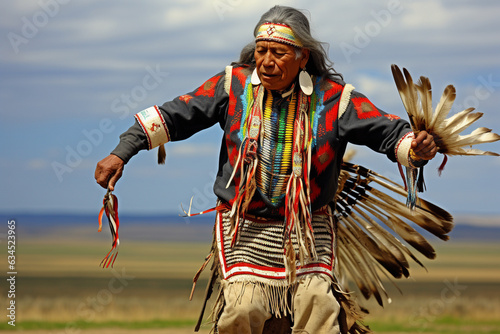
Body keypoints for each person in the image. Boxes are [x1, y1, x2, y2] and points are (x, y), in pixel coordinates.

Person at [95, 5, 437, 334]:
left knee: (318, 306)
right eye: (261, 50)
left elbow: (388, 132)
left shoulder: (335, 99)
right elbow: (174, 115)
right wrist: (122, 152)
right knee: (242, 310)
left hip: (308, 229)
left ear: (303, 56)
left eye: (279, 52)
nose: (267, 62)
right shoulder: (234, 86)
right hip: (244, 228)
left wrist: (415, 149)